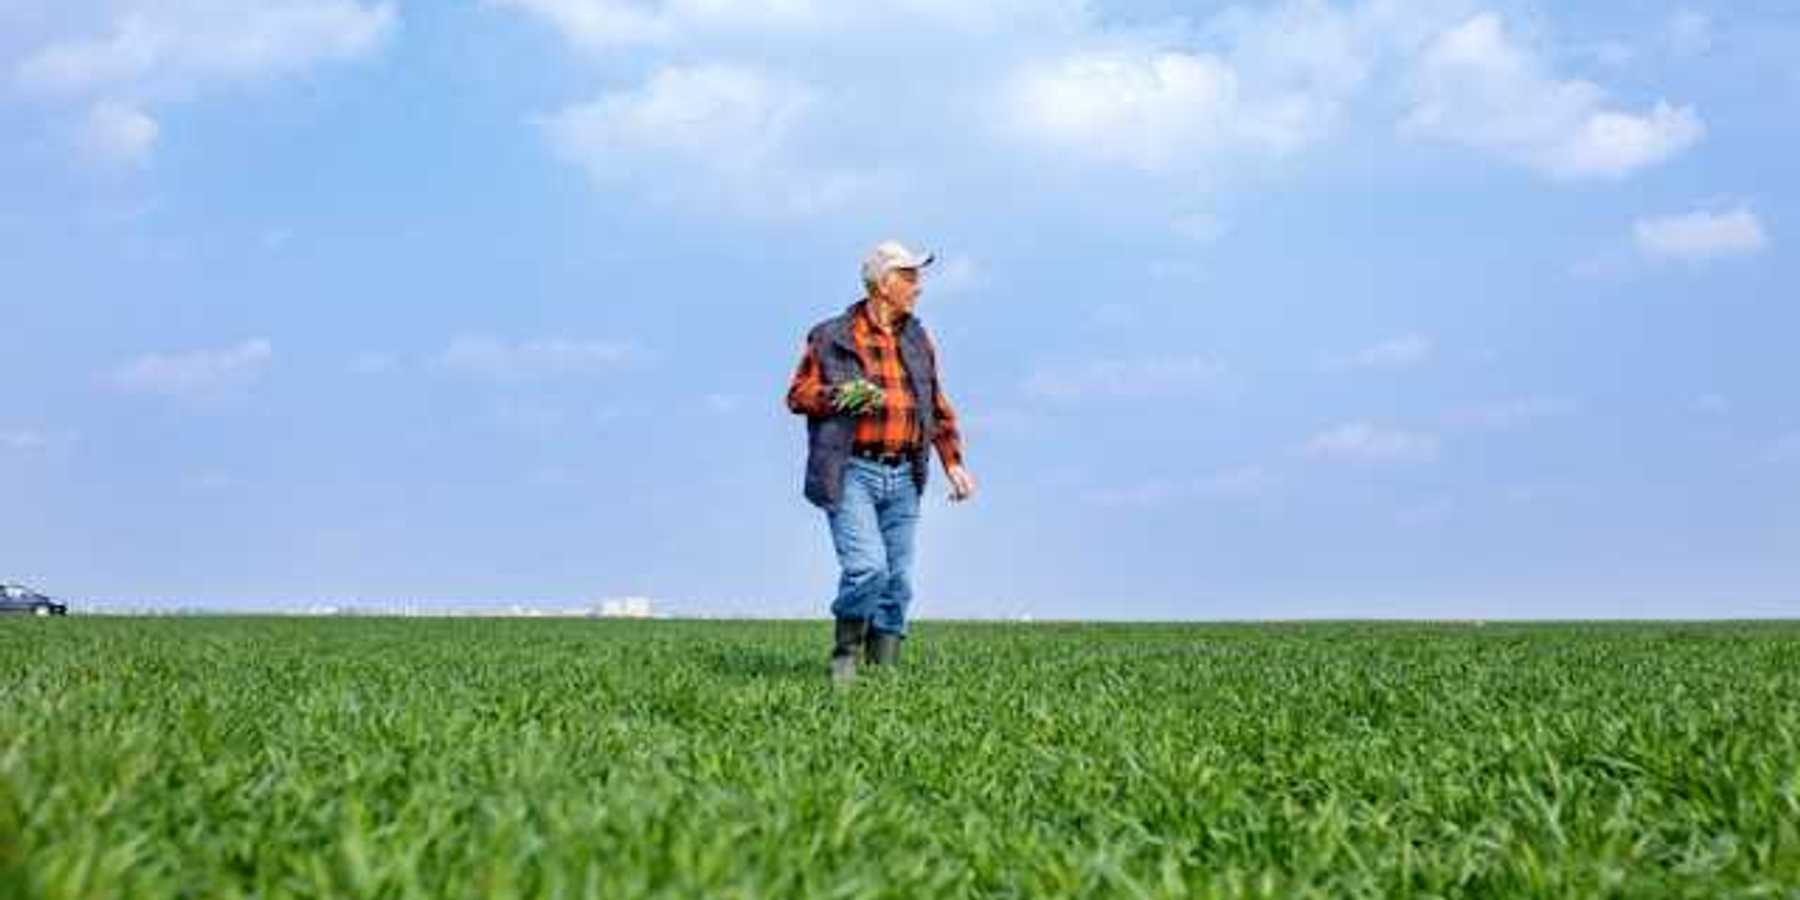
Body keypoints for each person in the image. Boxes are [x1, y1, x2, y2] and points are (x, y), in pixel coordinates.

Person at [785, 240, 977, 682]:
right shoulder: (831, 335)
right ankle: (846, 656)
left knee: (898, 582)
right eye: (909, 277)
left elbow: (934, 403)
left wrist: (953, 462)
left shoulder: (917, 336)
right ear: (882, 284)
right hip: (852, 470)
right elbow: (797, 395)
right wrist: (841, 396)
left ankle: (883, 674)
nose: (918, 287)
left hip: (904, 474)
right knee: (867, 568)